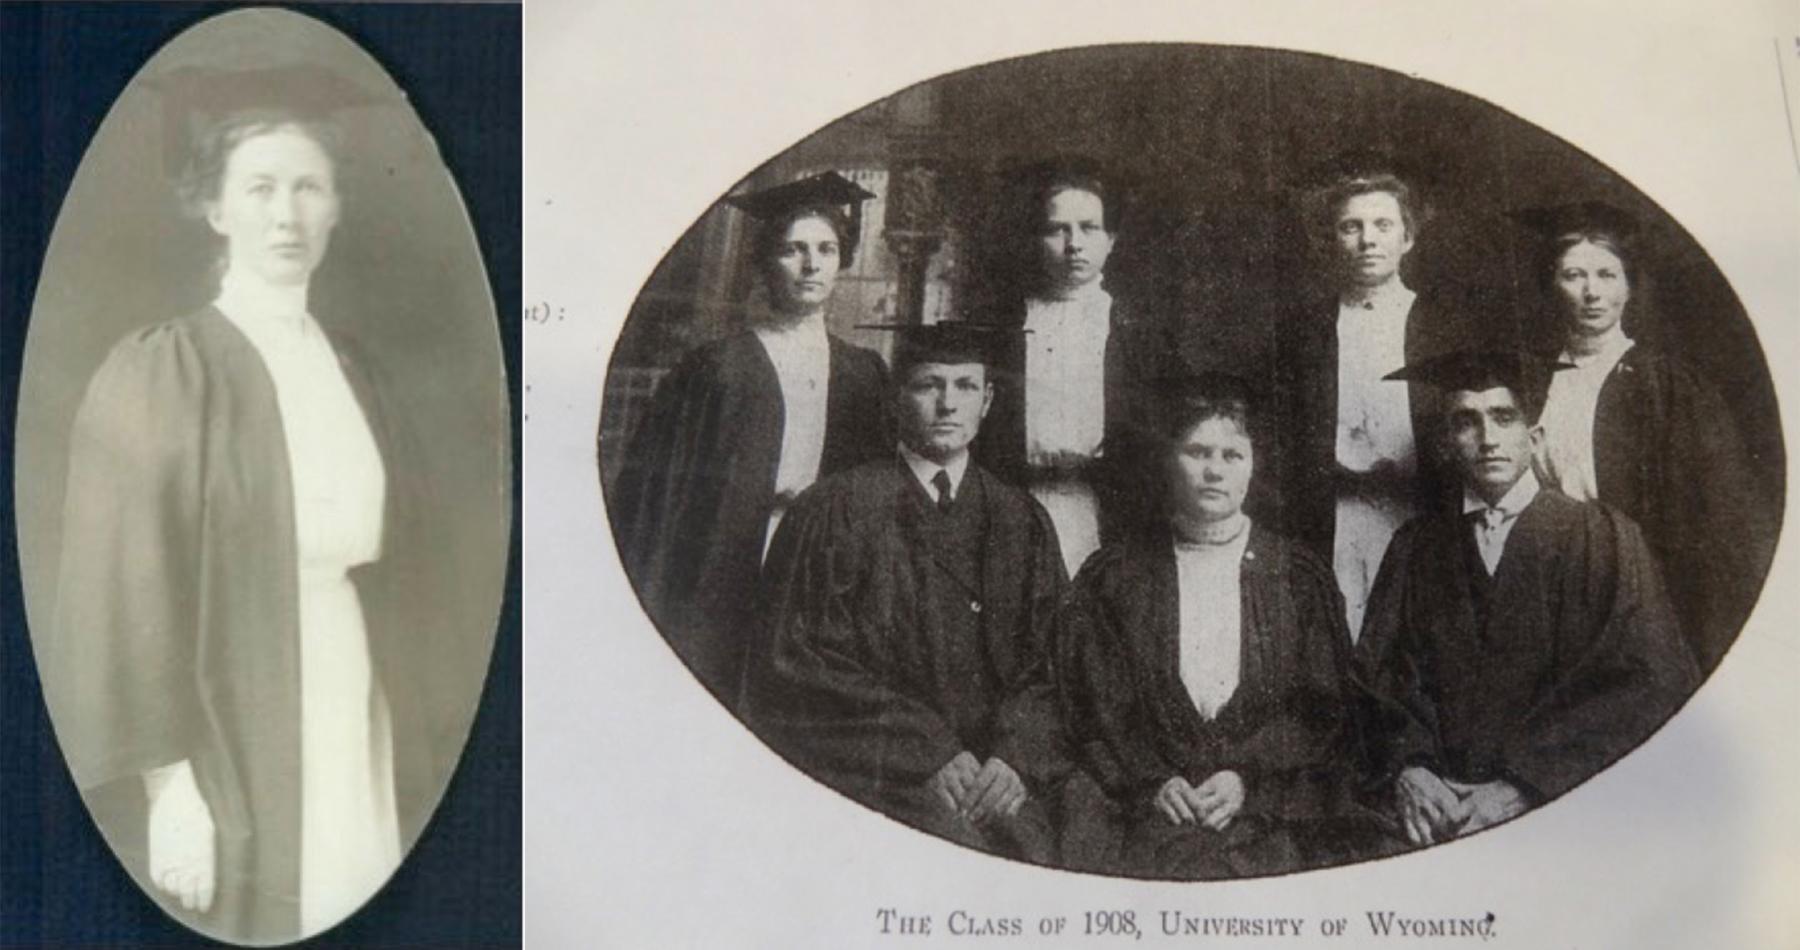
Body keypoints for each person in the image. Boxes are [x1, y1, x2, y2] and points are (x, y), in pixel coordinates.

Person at [41, 64, 456, 940]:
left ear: (337, 207)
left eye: (309, 187)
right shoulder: (165, 370)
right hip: (229, 711)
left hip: (356, 691)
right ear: (214, 207)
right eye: (260, 187)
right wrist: (171, 787)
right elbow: (126, 591)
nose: (287, 213)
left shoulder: (356, 370)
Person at [743, 322, 1068, 863]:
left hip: (1001, 776)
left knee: (1054, 849)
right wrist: (926, 753)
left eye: (965, 386)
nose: (947, 404)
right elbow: (794, 663)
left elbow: (1057, 661)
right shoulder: (834, 510)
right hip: (879, 772)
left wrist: (1014, 759)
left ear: (987, 401)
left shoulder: (1021, 519)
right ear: (895, 398)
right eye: (928, 385)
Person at [1354, 349, 1698, 848]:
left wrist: (1526, 784)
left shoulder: (1600, 538)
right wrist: (1411, 769)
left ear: (1533, 437)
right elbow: (1377, 677)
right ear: (1447, 443)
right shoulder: (1416, 546)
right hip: (1433, 816)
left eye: (1503, 417)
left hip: (1561, 807)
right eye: (1467, 422)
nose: (1488, 438)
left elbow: (1649, 680)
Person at [605, 172, 892, 703]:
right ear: (766, 262)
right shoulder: (718, 368)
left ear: (842, 260)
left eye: (826, 250)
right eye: (793, 250)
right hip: (727, 565)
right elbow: (659, 499)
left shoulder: (861, 373)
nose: (811, 265)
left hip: (820, 572)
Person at [1056, 374, 1357, 879]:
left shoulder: (1299, 576)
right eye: (1197, 452)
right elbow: (1091, 705)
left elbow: (1322, 709)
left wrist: (1245, 780)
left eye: (1231, 455)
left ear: (1253, 465)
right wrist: (1151, 779)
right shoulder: (1115, 576)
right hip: (1147, 808)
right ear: (1168, 459)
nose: (1214, 471)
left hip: (1266, 809)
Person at [1512, 200, 1775, 674]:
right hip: (1555, 583)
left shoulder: (1666, 385)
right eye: (1573, 275)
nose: (1591, 292)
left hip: (1642, 587)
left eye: (1606, 275)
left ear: (1629, 287)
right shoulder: (1532, 385)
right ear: (1551, 285)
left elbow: (1715, 518)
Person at [1274, 154, 1465, 635]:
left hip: (1418, 515)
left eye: (1383, 224)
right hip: (1333, 519)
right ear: (1332, 241)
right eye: (1350, 227)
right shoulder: (1307, 330)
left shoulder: (1443, 326)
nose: (1368, 240)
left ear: (1408, 237)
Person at [976, 161, 1180, 577]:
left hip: (1108, 514)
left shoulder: (1139, 335)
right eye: (1057, 230)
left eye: (1089, 228)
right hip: (1017, 509)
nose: (1074, 244)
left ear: (1112, 240)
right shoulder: (1004, 330)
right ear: (1036, 239)